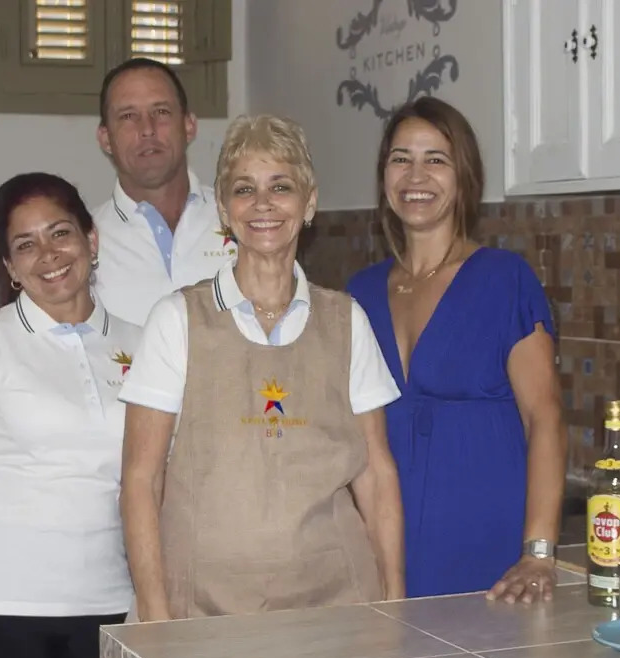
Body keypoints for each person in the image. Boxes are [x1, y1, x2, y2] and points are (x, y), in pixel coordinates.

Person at [119, 114, 406, 621]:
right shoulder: (177, 319)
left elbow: (376, 473)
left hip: (337, 603)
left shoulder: (346, 321)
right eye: (244, 189)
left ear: (309, 203)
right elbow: (141, 480)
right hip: (202, 609)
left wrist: (395, 597)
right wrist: (156, 617)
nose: (263, 204)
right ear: (224, 208)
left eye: (281, 186)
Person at [346, 97, 568, 602]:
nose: (415, 175)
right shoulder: (358, 293)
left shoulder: (504, 280)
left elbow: (546, 417)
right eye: (400, 158)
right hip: (382, 552)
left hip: (489, 553)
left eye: (436, 159)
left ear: (464, 177)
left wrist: (538, 552)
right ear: (384, 176)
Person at [0, 173, 140, 658]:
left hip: (110, 603)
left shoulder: (141, 343)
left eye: (60, 233)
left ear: (91, 240)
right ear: (10, 267)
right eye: (26, 245)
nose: (48, 255)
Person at [92, 57, 231, 327]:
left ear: (189, 126)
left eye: (162, 112)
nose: (147, 129)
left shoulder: (240, 219)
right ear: (106, 139)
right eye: (128, 116)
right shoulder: (85, 242)